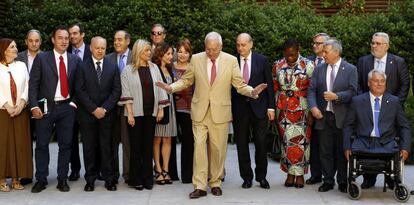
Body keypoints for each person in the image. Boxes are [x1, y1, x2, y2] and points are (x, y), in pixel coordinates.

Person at [156, 31, 267, 199]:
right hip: (200, 112)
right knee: (199, 148)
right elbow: (186, 80)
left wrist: (252, 91)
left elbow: (239, 84)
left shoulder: (230, 61)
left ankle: (215, 182)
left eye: (214, 49)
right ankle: (199, 186)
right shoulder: (196, 59)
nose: (211, 53)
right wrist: (171, 87)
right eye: (208, 49)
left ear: (221, 47)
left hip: (220, 112)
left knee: (217, 150)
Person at [29, 25, 81, 193]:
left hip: (67, 108)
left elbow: (80, 86)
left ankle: (62, 179)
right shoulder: (42, 58)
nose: (64, 41)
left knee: (66, 145)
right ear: (53, 39)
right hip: (45, 106)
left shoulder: (75, 60)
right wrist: (34, 105)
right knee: (42, 144)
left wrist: (73, 104)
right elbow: (33, 84)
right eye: (60, 38)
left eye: (67, 38)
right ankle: (41, 179)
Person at [356, 32, 410, 189]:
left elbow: (404, 85)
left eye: (378, 43)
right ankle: (369, 178)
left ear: (387, 46)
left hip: (390, 111)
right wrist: (365, 103)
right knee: (368, 139)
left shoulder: (398, 62)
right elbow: (359, 83)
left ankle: (392, 179)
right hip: (368, 109)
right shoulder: (363, 61)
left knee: (389, 143)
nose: (374, 46)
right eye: (373, 43)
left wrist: (393, 105)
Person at [307, 38, 357, 193]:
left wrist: (337, 96)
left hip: (341, 117)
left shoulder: (350, 69)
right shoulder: (319, 68)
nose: (323, 54)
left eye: (326, 51)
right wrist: (313, 106)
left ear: (336, 52)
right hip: (323, 116)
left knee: (342, 152)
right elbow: (311, 91)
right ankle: (327, 181)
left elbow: (353, 91)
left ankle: (343, 181)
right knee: (325, 151)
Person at [121, 39, 169, 190]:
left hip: (151, 113)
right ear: (138, 52)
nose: (150, 53)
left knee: (147, 147)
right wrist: (129, 114)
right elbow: (126, 92)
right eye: (146, 50)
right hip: (135, 114)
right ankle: (136, 179)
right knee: (135, 147)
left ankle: (148, 178)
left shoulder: (154, 68)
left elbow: (161, 88)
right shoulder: (128, 70)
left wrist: (161, 109)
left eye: (150, 50)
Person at [75, 36, 121, 192]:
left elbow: (116, 91)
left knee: (107, 147)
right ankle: (90, 179)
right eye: (97, 48)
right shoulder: (82, 66)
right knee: (89, 148)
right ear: (91, 48)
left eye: (103, 48)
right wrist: (94, 109)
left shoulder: (113, 67)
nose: (100, 51)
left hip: (107, 116)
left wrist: (105, 109)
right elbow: (80, 91)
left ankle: (109, 179)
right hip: (88, 115)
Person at [232, 33, 275, 189]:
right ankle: (247, 177)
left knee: (261, 144)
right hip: (239, 109)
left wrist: (271, 107)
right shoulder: (232, 61)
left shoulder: (261, 60)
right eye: (238, 45)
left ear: (251, 44)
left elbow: (269, 85)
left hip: (260, 108)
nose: (240, 48)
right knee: (241, 144)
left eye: (243, 45)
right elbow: (229, 88)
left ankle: (261, 177)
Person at [273, 39, 314, 189]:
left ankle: (300, 175)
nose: (290, 58)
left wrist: (311, 113)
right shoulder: (277, 65)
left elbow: (313, 90)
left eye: (293, 54)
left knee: (301, 143)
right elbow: (275, 88)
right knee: (286, 143)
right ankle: (290, 173)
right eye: (287, 54)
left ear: (298, 50)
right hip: (283, 110)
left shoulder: (309, 65)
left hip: (302, 110)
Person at [343, 69, 410, 161]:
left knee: (391, 171)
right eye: (376, 81)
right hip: (363, 143)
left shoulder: (394, 102)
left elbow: (404, 126)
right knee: (368, 172)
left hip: (387, 143)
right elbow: (348, 126)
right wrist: (346, 147)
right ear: (368, 83)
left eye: (382, 81)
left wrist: (405, 148)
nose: (380, 84)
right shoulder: (357, 101)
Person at [0, 38, 32, 192]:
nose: (15, 49)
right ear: (4, 49)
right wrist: (6, 105)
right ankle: (1, 179)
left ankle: (16, 178)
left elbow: (27, 85)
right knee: (3, 145)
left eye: (15, 46)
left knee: (19, 145)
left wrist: (21, 104)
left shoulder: (21, 66)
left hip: (20, 111)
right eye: (12, 47)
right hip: (2, 112)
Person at [16, 29, 43, 186]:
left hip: (41, 105)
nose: (34, 43)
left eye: (36, 41)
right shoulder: (17, 57)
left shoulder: (47, 57)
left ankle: (41, 175)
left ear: (40, 42)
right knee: (24, 142)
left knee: (41, 141)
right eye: (30, 40)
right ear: (26, 41)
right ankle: (25, 174)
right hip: (22, 105)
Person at [67, 23, 92, 182]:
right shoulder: (65, 51)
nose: (72, 37)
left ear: (82, 35)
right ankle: (75, 169)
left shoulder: (93, 49)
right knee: (71, 138)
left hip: (90, 103)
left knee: (92, 139)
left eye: (75, 33)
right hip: (71, 104)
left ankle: (96, 169)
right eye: (70, 34)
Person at [106, 30, 132, 184]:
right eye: (115, 39)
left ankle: (128, 174)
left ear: (128, 41)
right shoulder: (108, 58)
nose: (117, 42)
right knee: (111, 143)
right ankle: (113, 174)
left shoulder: (135, 58)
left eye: (120, 39)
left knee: (128, 143)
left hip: (129, 107)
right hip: (111, 107)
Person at [306, 33, 330, 185]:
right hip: (309, 108)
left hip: (327, 109)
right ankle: (315, 174)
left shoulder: (334, 62)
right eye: (314, 43)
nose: (315, 46)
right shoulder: (306, 62)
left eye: (319, 43)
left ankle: (328, 175)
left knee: (326, 145)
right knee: (313, 143)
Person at [152, 42, 177, 185]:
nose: (171, 56)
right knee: (157, 139)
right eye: (168, 54)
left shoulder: (169, 68)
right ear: (160, 54)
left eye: (171, 53)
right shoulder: (154, 68)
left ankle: (166, 170)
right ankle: (158, 169)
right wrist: (159, 108)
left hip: (171, 107)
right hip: (159, 108)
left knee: (167, 139)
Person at [173, 38, 194, 184]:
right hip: (172, 108)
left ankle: (188, 175)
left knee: (188, 142)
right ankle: (171, 173)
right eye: (180, 52)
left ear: (190, 54)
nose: (182, 55)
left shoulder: (194, 67)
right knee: (169, 140)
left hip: (188, 109)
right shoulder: (169, 66)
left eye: (185, 52)